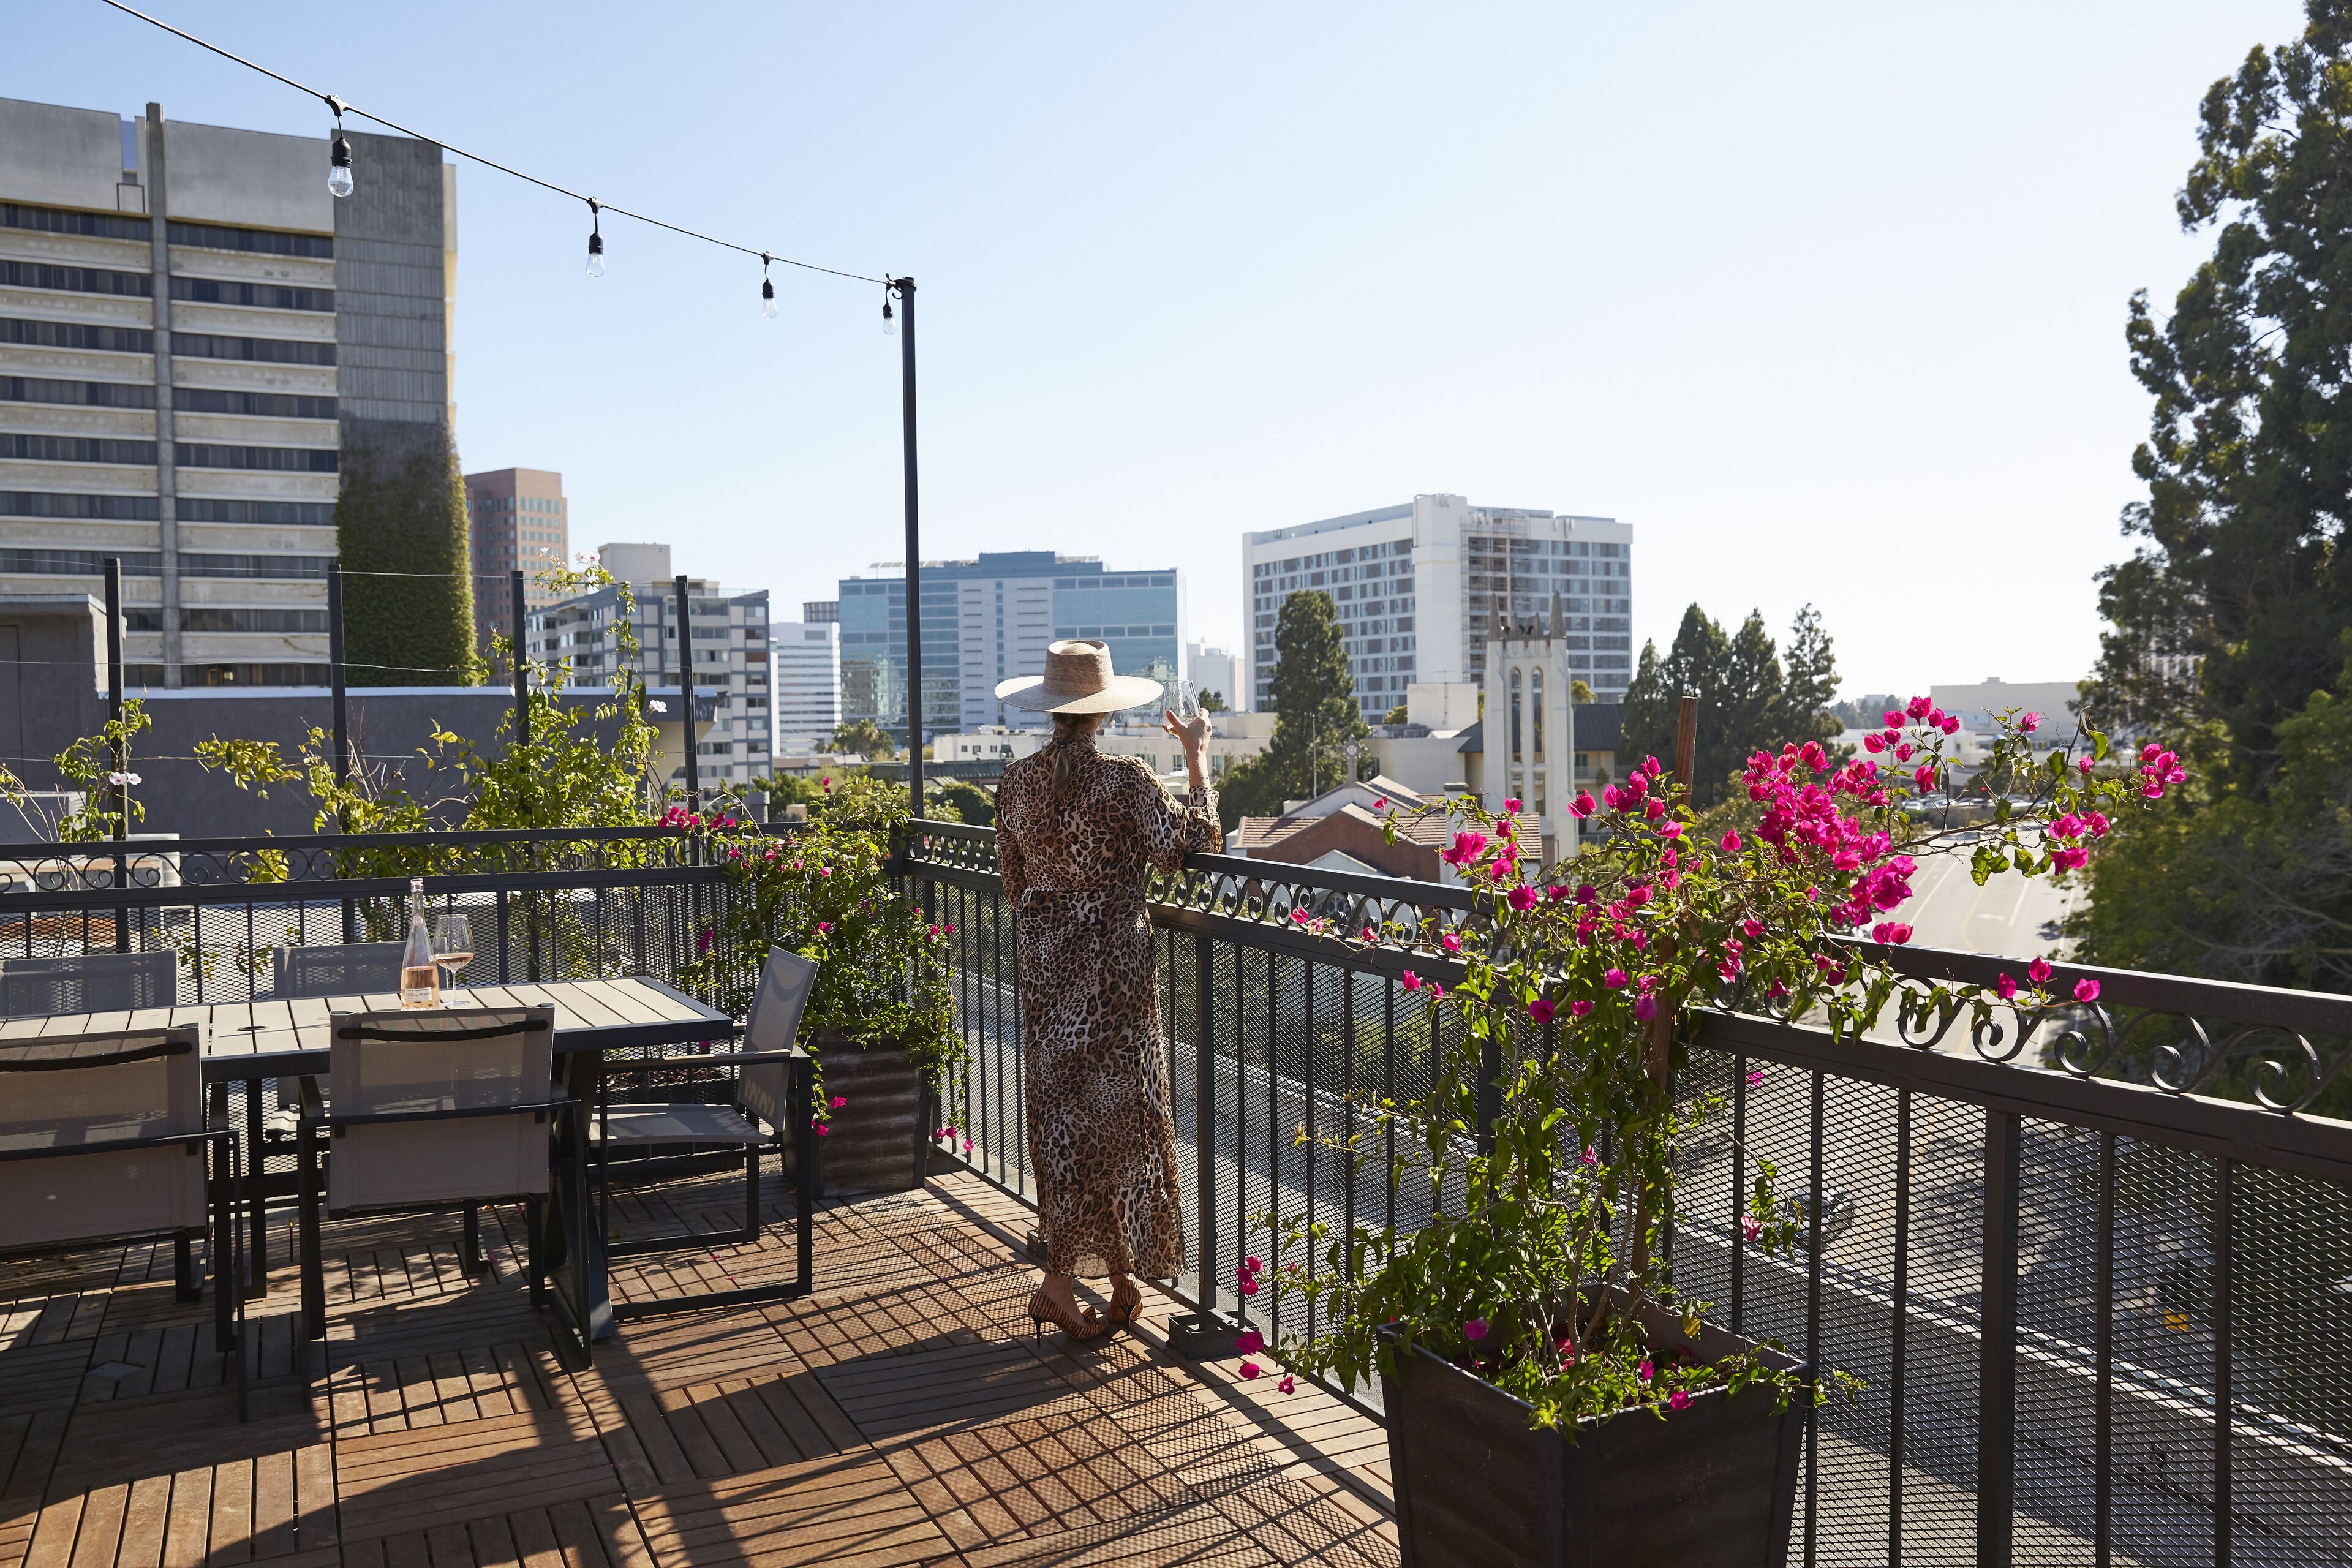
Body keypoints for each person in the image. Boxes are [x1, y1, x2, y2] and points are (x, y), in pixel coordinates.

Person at [991, 640, 1218, 1340]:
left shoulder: (1016, 783)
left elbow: (1012, 882)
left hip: (1049, 972)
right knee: (1124, 1123)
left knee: (1064, 1126)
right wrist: (1199, 755)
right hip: (1115, 976)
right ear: (1101, 712)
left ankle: (1103, 1280)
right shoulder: (1127, 780)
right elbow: (1192, 843)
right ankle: (1068, 1281)